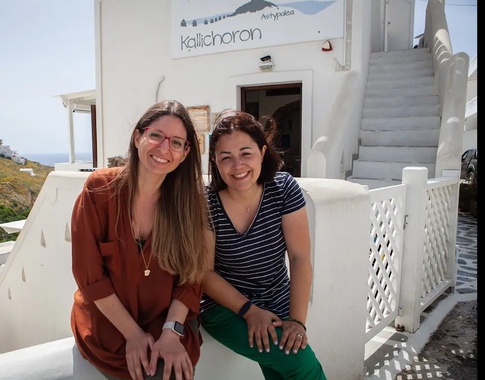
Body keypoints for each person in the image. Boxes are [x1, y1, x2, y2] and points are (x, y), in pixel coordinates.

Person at [70, 100, 213, 380]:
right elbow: (89, 277)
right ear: (138, 137)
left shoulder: (188, 204)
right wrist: (133, 334)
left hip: (167, 320)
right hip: (109, 324)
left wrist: (172, 332)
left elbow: (192, 278)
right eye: (156, 135)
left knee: (171, 372)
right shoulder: (99, 191)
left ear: (185, 154)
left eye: (176, 142)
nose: (163, 148)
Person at [200, 110, 327, 380]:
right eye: (226, 157)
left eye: (246, 153)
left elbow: (299, 257)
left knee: (280, 373)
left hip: (276, 302)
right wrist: (249, 311)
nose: (237, 166)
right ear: (215, 162)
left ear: (262, 151)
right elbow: (204, 272)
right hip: (225, 310)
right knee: (301, 364)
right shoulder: (206, 202)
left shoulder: (283, 188)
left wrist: (296, 321)